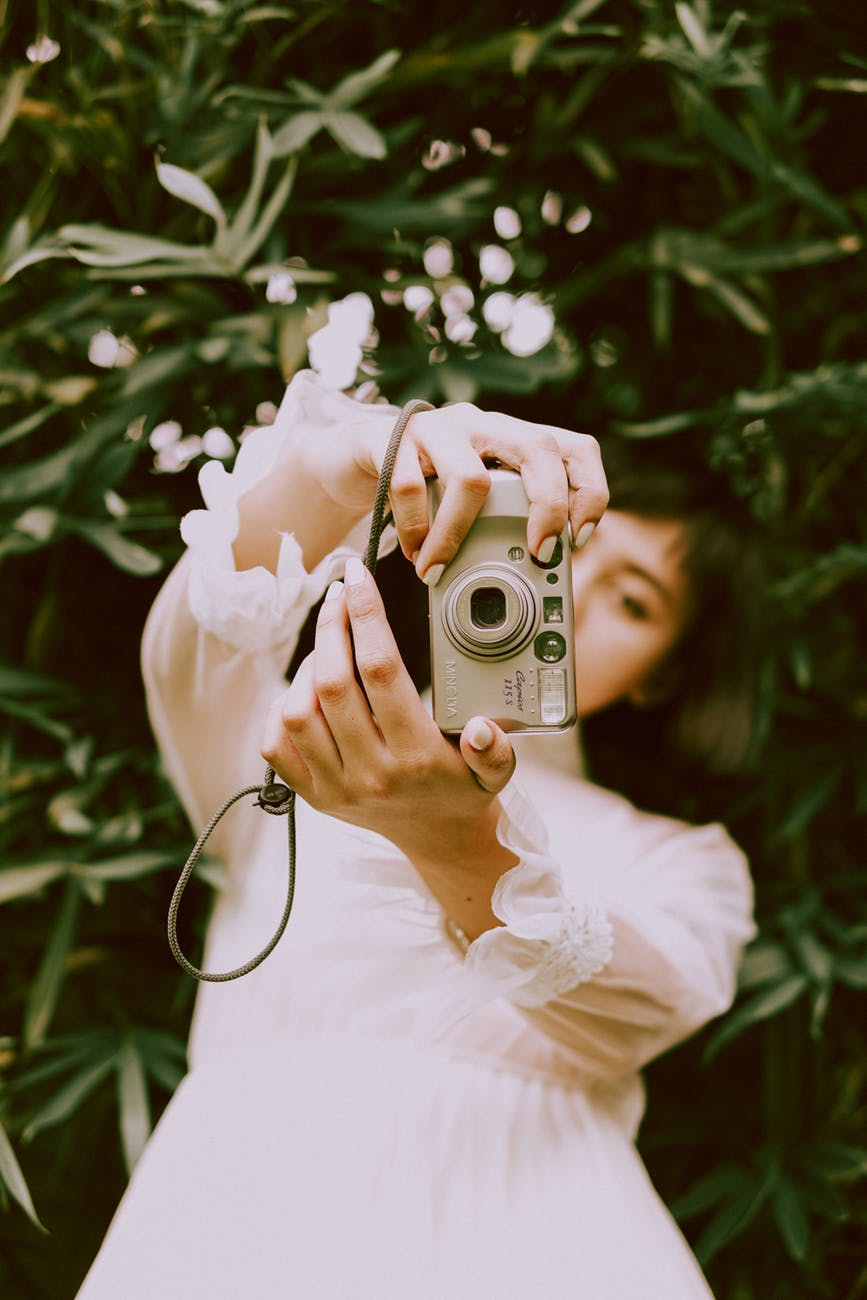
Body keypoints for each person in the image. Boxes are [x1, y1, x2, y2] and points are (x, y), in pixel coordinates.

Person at [77, 369, 761, 1299]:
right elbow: (197, 641)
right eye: (550, 548)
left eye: (631, 601)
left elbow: (637, 1012)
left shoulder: (677, 859)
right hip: (238, 1223)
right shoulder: (298, 735)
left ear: (664, 676)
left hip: (543, 1250)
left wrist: (458, 847)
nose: (565, 596)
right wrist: (347, 461)